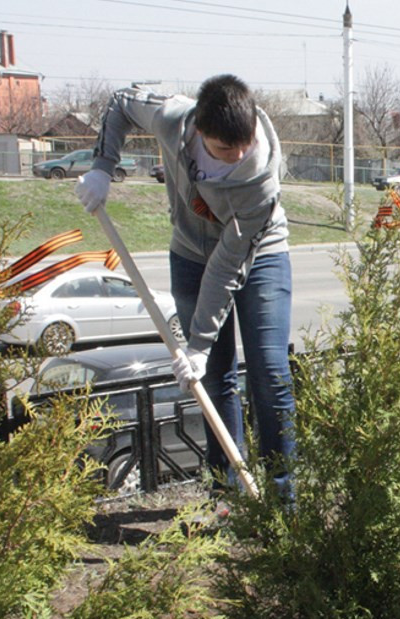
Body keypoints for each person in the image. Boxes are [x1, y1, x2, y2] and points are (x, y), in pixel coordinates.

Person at [76, 75, 295, 500]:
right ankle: (228, 495)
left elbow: (228, 266)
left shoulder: (260, 179)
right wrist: (102, 167)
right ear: (199, 129)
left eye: (244, 143)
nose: (239, 155)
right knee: (213, 377)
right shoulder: (174, 118)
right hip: (192, 251)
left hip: (259, 252)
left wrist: (198, 341)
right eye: (224, 149)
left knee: (270, 372)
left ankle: (283, 500)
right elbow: (122, 101)